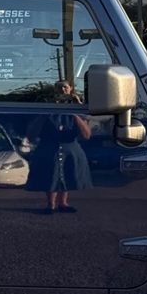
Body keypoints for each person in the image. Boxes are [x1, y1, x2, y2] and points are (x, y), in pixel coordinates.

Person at [25, 79, 92, 214]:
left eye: (65, 87)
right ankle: (51, 205)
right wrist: (49, 109)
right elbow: (31, 133)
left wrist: (75, 109)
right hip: (48, 146)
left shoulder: (76, 107)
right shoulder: (46, 105)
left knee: (67, 173)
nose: (62, 90)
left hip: (70, 146)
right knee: (50, 174)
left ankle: (63, 203)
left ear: (71, 89)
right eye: (59, 87)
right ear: (54, 90)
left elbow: (86, 135)